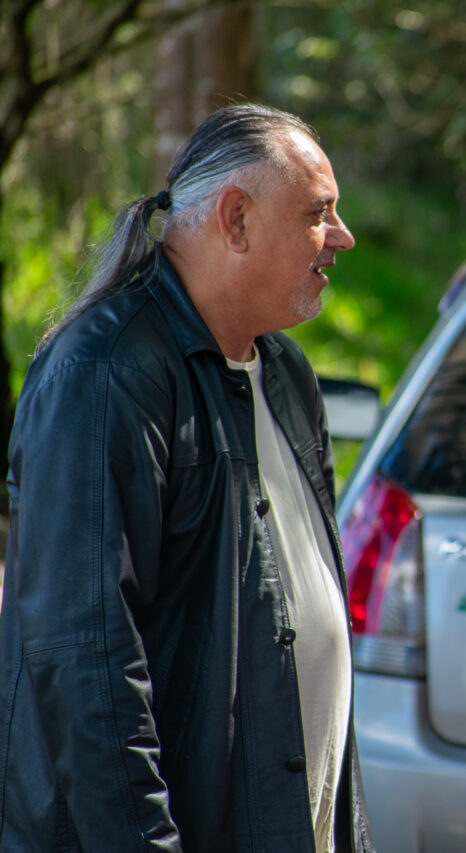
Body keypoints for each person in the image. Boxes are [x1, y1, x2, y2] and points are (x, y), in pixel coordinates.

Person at [0, 104, 372, 852]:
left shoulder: (286, 373)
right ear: (236, 220)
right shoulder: (107, 371)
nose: (342, 237)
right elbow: (85, 653)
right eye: (318, 215)